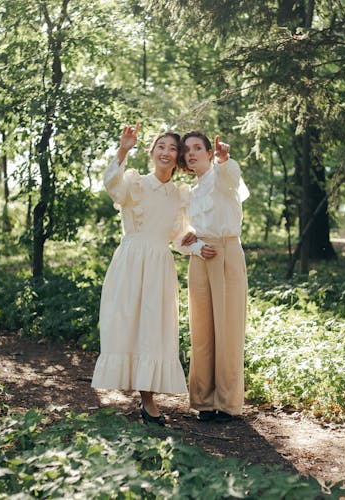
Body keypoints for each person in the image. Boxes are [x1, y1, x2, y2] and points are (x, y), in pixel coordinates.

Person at [91, 122, 207, 426]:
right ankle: (135, 391)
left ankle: (148, 398)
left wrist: (198, 246)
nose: (166, 153)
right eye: (161, 147)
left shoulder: (181, 196)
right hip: (130, 261)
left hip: (159, 266)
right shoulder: (135, 183)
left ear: (178, 157)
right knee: (128, 323)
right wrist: (123, 148)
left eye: (172, 148)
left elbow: (182, 237)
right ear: (152, 152)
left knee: (154, 328)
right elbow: (111, 185)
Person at [181, 131, 249, 423]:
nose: (192, 153)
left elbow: (232, 178)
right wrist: (195, 246)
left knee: (228, 329)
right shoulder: (189, 193)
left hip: (227, 255)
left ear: (210, 153)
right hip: (200, 259)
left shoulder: (222, 176)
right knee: (202, 331)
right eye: (187, 150)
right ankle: (204, 402)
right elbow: (179, 235)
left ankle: (228, 402)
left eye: (199, 148)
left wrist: (225, 159)